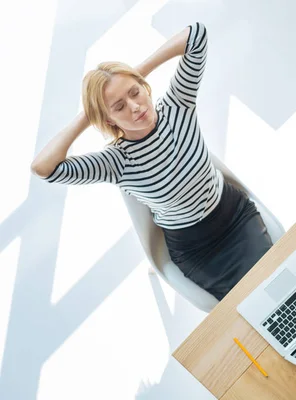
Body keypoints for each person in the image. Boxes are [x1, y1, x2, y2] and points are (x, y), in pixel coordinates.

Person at [31, 22, 273, 301]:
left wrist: (132, 75)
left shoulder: (177, 106)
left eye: (135, 92)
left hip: (235, 216)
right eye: (119, 107)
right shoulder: (116, 162)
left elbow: (196, 35)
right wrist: (88, 115)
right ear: (108, 120)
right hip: (197, 250)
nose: (135, 107)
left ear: (144, 87)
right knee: (249, 307)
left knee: (275, 286)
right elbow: (43, 168)